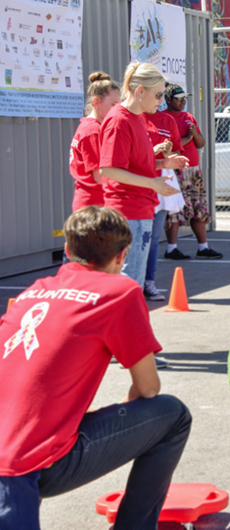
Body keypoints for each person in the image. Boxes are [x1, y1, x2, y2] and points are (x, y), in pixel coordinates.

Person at [0, 206, 192, 530]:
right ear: (123, 256)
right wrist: (120, 417)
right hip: (30, 464)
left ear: (67, 250)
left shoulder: (34, 292)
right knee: (173, 414)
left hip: (11, 455)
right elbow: (148, 388)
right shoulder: (119, 292)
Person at [99, 62, 188, 288]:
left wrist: (163, 162)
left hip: (140, 209)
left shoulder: (137, 118)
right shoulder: (119, 120)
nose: (161, 100)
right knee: (129, 283)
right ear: (140, 91)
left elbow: (134, 162)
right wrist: (152, 183)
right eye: (158, 95)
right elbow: (108, 169)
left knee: (132, 282)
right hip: (128, 211)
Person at [163, 84, 222, 260]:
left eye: (184, 98)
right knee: (174, 209)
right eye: (178, 98)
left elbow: (201, 143)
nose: (182, 102)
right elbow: (167, 146)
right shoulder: (164, 118)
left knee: (199, 208)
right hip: (175, 170)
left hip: (193, 171)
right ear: (167, 100)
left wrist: (195, 135)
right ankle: (171, 249)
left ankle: (203, 247)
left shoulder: (189, 117)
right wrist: (188, 138)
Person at [140, 100, 186, 302]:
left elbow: (178, 153)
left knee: (153, 238)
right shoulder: (132, 117)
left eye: (160, 95)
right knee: (135, 237)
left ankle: (148, 282)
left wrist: (169, 154)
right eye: (155, 95)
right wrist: (154, 148)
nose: (157, 100)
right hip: (139, 183)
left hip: (161, 183)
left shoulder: (167, 120)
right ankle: (132, 282)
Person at [69, 72, 121, 213]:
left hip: (93, 203)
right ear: (96, 102)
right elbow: (100, 176)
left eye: (119, 105)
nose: (117, 110)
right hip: (94, 207)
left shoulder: (92, 126)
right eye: (113, 104)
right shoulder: (93, 131)